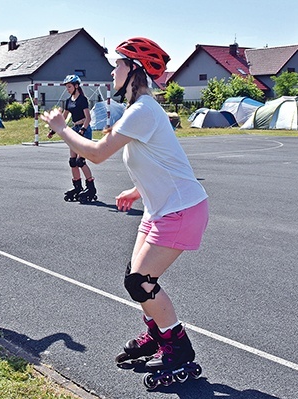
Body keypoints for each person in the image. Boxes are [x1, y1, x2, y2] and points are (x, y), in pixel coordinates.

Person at [41, 37, 209, 377]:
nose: (111, 70)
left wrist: (61, 129)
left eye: (118, 64)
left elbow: (99, 153)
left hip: (180, 210)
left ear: (134, 70)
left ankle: (177, 346)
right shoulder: (141, 111)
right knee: (133, 277)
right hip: (159, 207)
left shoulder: (143, 109)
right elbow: (163, 162)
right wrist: (136, 191)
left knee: (141, 282)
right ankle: (156, 334)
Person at [47, 74, 98, 203]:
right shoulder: (69, 101)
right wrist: (54, 130)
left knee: (80, 161)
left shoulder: (83, 99)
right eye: (67, 87)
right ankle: (77, 187)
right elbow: (63, 119)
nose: (67, 89)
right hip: (74, 130)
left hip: (84, 130)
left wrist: (83, 130)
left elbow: (88, 118)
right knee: (72, 162)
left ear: (76, 86)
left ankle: (91, 188)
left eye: (69, 86)